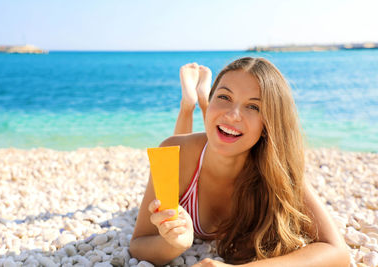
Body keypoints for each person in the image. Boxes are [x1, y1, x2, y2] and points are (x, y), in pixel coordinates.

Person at [129, 58, 350, 266]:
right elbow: (139, 245)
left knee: (221, 127)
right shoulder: (172, 152)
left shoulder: (278, 170)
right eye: (224, 97)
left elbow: (337, 253)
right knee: (186, 142)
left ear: (269, 124)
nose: (234, 114)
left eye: (253, 106)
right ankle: (190, 103)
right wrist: (174, 243)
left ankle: (203, 99)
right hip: (189, 160)